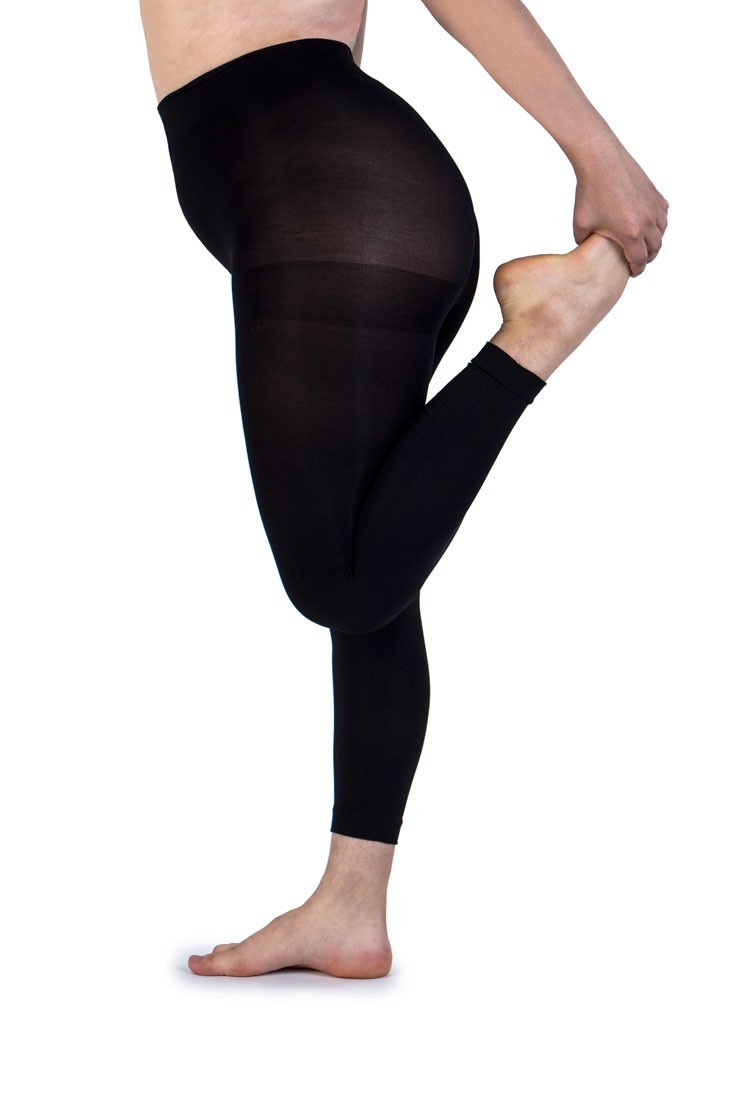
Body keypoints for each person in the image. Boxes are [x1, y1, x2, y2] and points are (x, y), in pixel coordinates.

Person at [139, 0, 669, 979]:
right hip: (318, 177)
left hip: (325, 182)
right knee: (376, 555)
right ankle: (350, 909)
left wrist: (599, 156)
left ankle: (540, 330)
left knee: (340, 582)